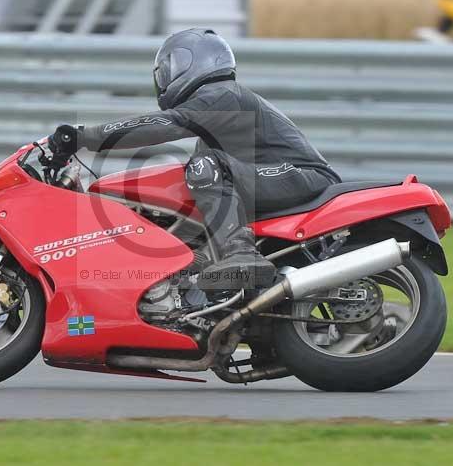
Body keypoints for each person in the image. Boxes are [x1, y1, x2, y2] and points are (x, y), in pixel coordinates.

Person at [48, 28, 340, 291]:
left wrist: (84, 136)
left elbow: (164, 123)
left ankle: (242, 255)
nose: (163, 78)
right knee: (187, 189)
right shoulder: (213, 123)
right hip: (272, 179)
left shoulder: (223, 95)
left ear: (193, 62)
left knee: (203, 167)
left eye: (168, 69)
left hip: (301, 175)